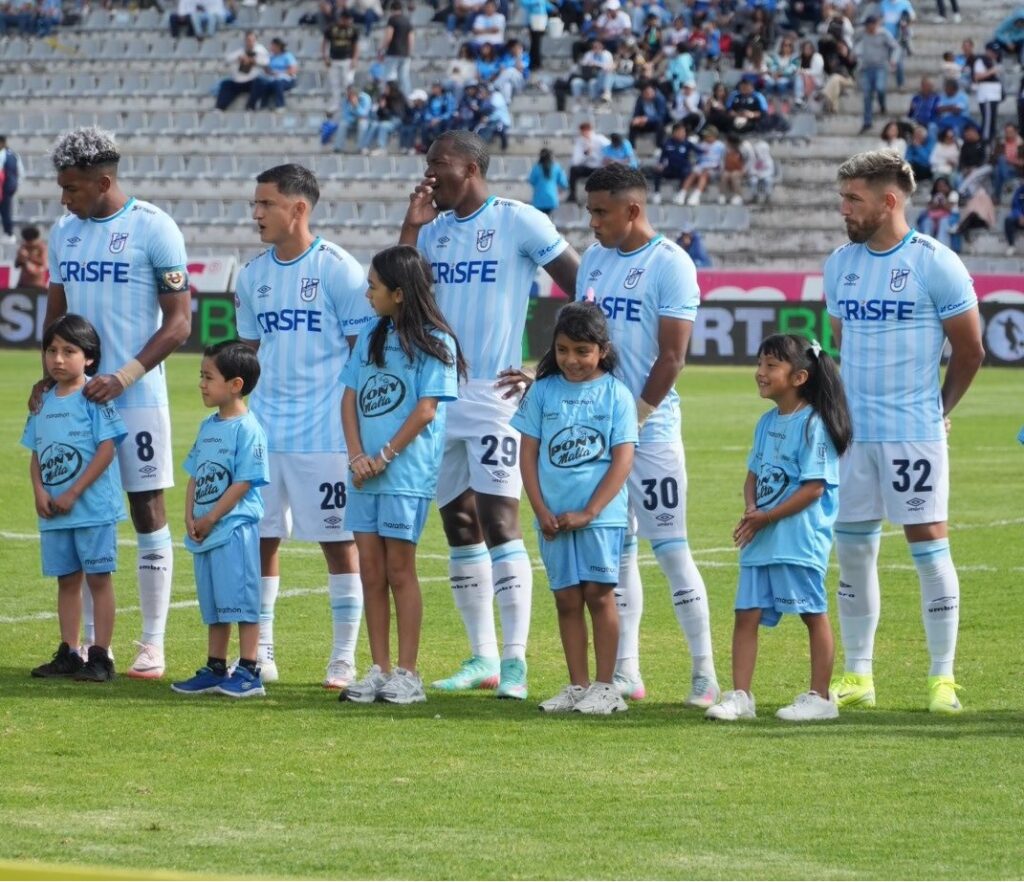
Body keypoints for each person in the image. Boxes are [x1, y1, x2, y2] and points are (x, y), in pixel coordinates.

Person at [399, 130, 580, 699]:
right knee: (457, 523)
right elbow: (398, 294)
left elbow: (584, 289)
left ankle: (517, 664)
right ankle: (481, 657)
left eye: (439, 165)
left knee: (501, 521)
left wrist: (547, 365)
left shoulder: (520, 221)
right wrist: (411, 225)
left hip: (496, 398)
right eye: (427, 165)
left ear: (472, 167)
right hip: (438, 396)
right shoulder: (432, 232)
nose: (430, 175)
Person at [825, 150, 984, 714]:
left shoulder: (935, 263)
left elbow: (970, 351)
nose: (843, 209)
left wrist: (937, 409)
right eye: (843, 198)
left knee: (929, 549)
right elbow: (842, 340)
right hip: (852, 436)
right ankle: (858, 674)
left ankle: (942, 678)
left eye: (853, 200)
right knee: (853, 555)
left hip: (912, 433)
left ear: (889, 201)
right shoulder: (839, 263)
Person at [33, 127, 191, 680]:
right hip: (75, 402)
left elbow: (179, 323)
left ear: (103, 182)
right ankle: (74, 647)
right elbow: (56, 315)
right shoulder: (63, 231)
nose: (64, 199)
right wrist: (47, 378)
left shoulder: (153, 227)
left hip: (137, 396)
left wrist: (124, 376)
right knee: (69, 508)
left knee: (147, 509)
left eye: (72, 188)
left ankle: (152, 644)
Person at [577, 163, 720, 707]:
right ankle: (625, 672)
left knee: (672, 550)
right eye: (590, 211)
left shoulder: (671, 264)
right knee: (616, 554)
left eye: (601, 212)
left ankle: (704, 673)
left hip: (651, 430)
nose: (592, 223)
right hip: (598, 433)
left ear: (633, 210)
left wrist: (634, 417)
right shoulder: (593, 260)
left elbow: (673, 356)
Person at [234, 164, 375, 688]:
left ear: (299, 208)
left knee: (339, 545)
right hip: (265, 435)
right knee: (260, 541)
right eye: (255, 204)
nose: (256, 214)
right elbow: (249, 354)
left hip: (325, 438)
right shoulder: (252, 275)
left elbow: (364, 354)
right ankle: (261, 652)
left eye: (265, 204)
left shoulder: (339, 269)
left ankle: (342, 657)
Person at [339, 246, 464, 705]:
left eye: (373, 286)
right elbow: (348, 399)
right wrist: (356, 456)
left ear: (398, 292)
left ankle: (408, 673)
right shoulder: (371, 333)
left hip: (404, 473)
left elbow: (426, 410)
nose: (367, 293)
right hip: (364, 474)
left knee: (398, 570)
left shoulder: (437, 342)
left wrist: (384, 456)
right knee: (369, 571)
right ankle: (379, 668)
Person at [705, 335, 852, 722]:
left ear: (800, 376)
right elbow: (752, 475)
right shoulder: (767, 422)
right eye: (760, 363)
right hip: (762, 535)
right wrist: (753, 510)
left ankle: (820, 698)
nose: (760, 372)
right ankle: (740, 696)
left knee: (811, 612)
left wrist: (766, 517)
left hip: (797, 539)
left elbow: (814, 487)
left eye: (771, 366)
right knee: (746, 613)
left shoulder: (814, 425)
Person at [513, 301, 637, 715]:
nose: (572, 360)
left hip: (601, 518)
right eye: (563, 350)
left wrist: (591, 511)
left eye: (582, 351)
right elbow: (527, 453)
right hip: (553, 517)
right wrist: (539, 507)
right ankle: (577, 685)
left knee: (599, 596)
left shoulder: (617, 394)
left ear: (601, 350)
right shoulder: (543, 391)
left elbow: (622, 460)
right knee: (566, 599)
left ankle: (606, 687)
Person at [24, 314, 127, 683]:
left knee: (98, 579)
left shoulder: (93, 398)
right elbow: (36, 452)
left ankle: (100, 656)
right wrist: (39, 491)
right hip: (54, 513)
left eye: (69, 351)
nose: (58, 358)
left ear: (89, 359)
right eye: (52, 350)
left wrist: (74, 491)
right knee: (66, 581)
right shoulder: (42, 401)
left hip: (92, 508)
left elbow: (106, 450)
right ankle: (69, 651)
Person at [171, 342, 270, 698]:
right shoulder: (207, 425)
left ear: (235, 384)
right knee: (213, 606)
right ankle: (215, 667)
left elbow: (244, 482)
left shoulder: (248, 429)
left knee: (241, 602)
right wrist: (190, 516)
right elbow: (196, 474)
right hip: (206, 532)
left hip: (233, 531)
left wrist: (212, 516)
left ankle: (248, 670)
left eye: (208, 377)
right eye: (201, 376)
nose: (201, 384)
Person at [854, 15, 900, 135]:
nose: (869, 28)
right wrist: (854, 53)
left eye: (871, 25)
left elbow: (896, 47)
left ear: (876, 24)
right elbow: (853, 40)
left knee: (880, 88)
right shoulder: (862, 33)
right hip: (866, 68)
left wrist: (893, 60)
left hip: (881, 67)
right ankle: (867, 122)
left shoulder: (884, 34)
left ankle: (882, 105)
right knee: (867, 95)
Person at [214, 31, 270, 111]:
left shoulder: (260, 49)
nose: (250, 42)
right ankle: (219, 108)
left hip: (252, 81)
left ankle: (250, 107)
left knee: (260, 82)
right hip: (238, 80)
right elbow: (228, 59)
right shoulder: (240, 50)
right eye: (248, 40)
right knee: (226, 84)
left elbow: (266, 62)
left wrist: (252, 60)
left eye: (252, 40)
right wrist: (239, 58)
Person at [323, 9, 360, 114]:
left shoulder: (353, 30)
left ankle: (349, 105)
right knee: (334, 83)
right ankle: (335, 104)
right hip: (333, 59)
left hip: (347, 60)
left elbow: (356, 45)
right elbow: (325, 43)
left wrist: (355, 59)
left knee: (348, 83)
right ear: (342, 19)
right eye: (347, 20)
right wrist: (325, 57)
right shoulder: (332, 28)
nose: (349, 22)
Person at [249, 38, 298, 111]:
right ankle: (256, 106)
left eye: (273, 46)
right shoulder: (270, 56)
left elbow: (293, 70)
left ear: (278, 46)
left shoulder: (287, 55)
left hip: (286, 79)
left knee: (278, 83)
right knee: (259, 82)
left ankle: (280, 105)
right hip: (272, 78)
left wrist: (280, 73)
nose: (271, 47)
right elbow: (268, 70)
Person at [568, 121, 610, 204]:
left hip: (599, 168)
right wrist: (585, 154)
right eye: (583, 132)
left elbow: (610, 150)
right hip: (587, 167)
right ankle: (572, 195)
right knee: (573, 170)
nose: (585, 134)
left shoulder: (601, 139)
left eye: (587, 131)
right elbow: (575, 161)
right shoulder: (579, 142)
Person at [379, 0, 414, 98]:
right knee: (404, 78)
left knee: (389, 77)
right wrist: (409, 52)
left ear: (392, 9)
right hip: (405, 54)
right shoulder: (407, 20)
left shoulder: (392, 20)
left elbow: (388, 36)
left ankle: (389, 98)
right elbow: (411, 39)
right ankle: (407, 98)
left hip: (393, 52)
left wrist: (381, 49)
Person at [528, 148, 568, 215]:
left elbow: (531, 181)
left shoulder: (536, 167)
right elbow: (564, 183)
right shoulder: (556, 167)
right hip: (552, 200)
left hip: (539, 200)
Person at [0, 134, 23, 243]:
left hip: (6, 188)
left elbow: (20, 171)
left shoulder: (12, 155)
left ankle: (8, 233)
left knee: (6, 212)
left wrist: (15, 185)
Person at [15, 224, 47, 289]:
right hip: (23, 282)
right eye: (27, 241)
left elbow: (43, 263)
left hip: (36, 283)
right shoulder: (23, 246)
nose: (29, 243)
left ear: (35, 239)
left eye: (30, 241)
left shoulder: (41, 247)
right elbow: (16, 265)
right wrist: (20, 258)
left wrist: (28, 256)